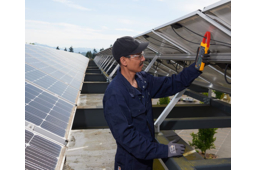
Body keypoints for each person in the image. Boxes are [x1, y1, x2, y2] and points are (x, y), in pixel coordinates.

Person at [103, 36, 209, 170]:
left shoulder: (143, 81)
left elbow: (172, 83)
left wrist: (196, 67)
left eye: (142, 55)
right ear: (124, 60)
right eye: (138, 56)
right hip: (130, 164)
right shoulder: (115, 94)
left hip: (147, 160)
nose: (143, 59)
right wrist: (165, 150)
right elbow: (128, 138)